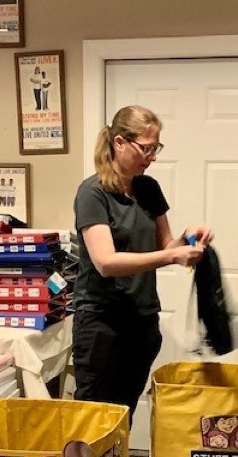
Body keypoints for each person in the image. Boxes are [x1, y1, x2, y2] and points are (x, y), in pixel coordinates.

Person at [72, 104, 212, 422]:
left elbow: (166, 245)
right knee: (94, 418)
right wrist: (172, 255)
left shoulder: (148, 188)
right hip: (101, 323)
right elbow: (105, 262)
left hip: (142, 319)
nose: (152, 156)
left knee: (125, 413)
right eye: (146, 148)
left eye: (155, 148)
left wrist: (189, 239)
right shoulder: (92, 194)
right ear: (120, 142)